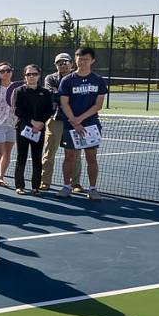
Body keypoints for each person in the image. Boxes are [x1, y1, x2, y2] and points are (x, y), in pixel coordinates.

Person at [55, 46, 107, 201]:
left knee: (91, 157)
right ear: (75, 59)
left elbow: (98, 105)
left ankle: (92, 189)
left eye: (85, 59)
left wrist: (80, 119)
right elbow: (64, 103)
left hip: (91, 124)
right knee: (69, 156)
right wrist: (74, 121)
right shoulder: (67, 80)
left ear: (92, 61)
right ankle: (66, 187)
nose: (82, 62)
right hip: (71, 124)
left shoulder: (98, 81)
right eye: (79, 58)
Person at [41, 53, 83, 192]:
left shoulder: (79, 78)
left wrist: (64, 96)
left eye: (66, 62)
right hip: (55, 120)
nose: (63, 65)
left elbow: (79, 97)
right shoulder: (50, 78)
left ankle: (75, 183)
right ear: (55, 65)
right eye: (59, 63)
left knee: (76, 154)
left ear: (72, 64)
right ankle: (45, 181)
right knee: (49, 153)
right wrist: (68, 96)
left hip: (74, 121)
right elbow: (52, 94)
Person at [12, 64, 51, 195]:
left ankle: (35, 187)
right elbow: (17, 110)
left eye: (34, 74)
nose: (31, 76)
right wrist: (32, 122)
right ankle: (19, 186)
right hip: (23, 129)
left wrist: (40, 124)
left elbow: (49, 110)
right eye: (29, 74)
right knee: (21, 157)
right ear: (25, 76)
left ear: (39, 76)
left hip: (39, 130)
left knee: (37, 158)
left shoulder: (45, 93)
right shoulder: (19, 91)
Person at [0, 62, 17, 187]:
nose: (5, 73)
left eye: (8, 70)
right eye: (2, 71)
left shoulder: (17, 88)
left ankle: (1, 177)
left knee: (7, 153)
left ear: (11, 71)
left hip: (12, 124)